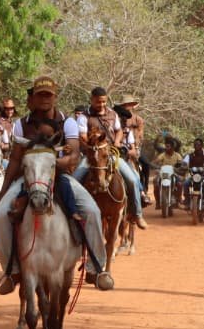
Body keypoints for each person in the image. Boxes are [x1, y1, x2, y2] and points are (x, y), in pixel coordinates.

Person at [0, 76, 113, 294]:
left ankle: (96, 268)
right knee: (0, 215)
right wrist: (3, 192)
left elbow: (73, 155)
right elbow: (16, 160)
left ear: (55, 97)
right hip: (27, 178)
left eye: (48, 95)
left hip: (59, 176)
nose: (44, 99)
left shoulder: (68, 122)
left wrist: (49, 162)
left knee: (92, 211)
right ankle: (12, 271)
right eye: (40, 95)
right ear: (33, 98)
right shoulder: (21, 124)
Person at [74, 87, 146, 230]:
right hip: (91, 154)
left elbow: (118, 131)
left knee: (132, 180)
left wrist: (117, 141)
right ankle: (73, 214)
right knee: (74, 180)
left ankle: (137, 214)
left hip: (111, 153)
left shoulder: (113, 114)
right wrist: (92, 142)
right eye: (98, 102)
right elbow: (82, 135)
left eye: (103, 101)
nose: (101, 104)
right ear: (91, 100)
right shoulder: (84, 117)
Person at [117, 97, 151, 204]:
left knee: (146, 163)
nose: (127, 106)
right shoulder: (116, 120)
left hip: (134, 147)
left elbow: (140, 134)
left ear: (132, 105)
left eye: (129, 104)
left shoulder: (138, 119)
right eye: (125, 104)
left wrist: (135, 146)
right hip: (118, 150)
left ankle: (144, 190)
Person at [152, 142, 184, 211]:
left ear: (172, 148)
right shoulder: (163, 155)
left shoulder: (177, 155)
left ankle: (178, 199)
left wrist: (180, 167)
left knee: (179, 184)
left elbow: (181, 164)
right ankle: (158, 202)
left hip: (174, 173)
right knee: (156, 183)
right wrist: (155, 166)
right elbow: (155, 162)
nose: (166, 148)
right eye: (166, 146)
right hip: (164, 174)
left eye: (168, 146)